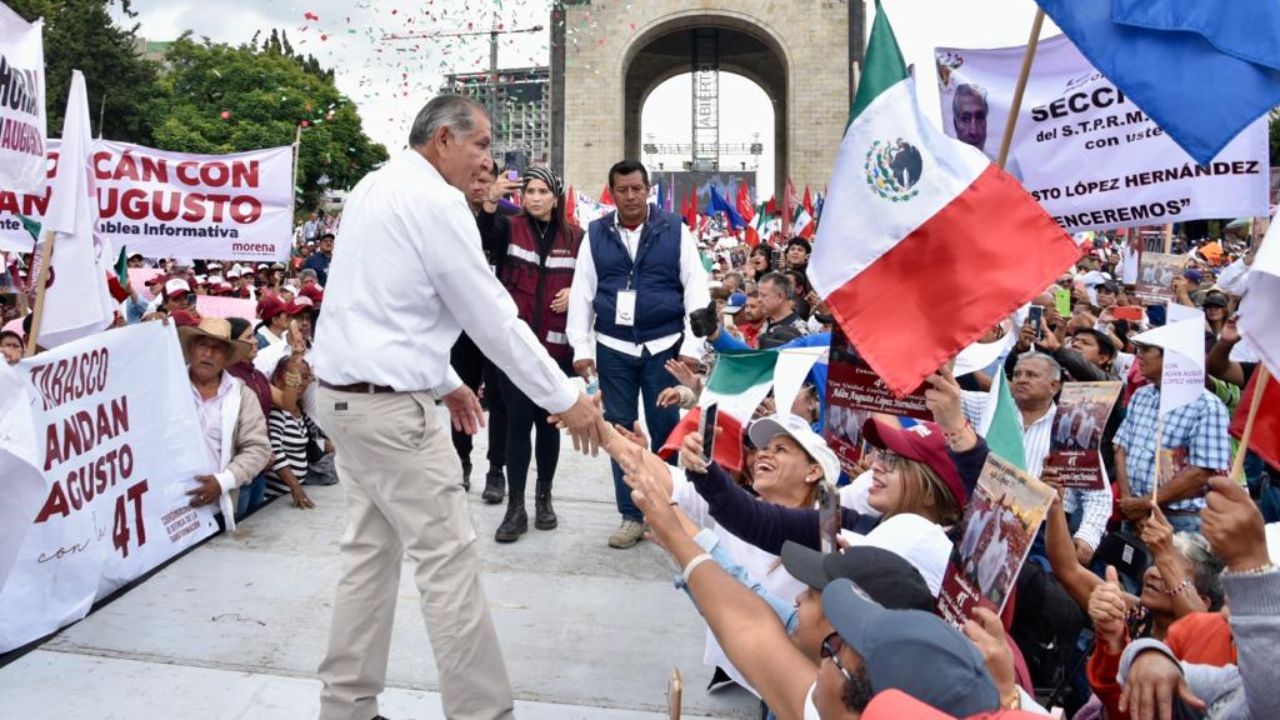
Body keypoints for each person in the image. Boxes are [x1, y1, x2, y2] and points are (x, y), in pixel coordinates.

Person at [308, 94, 604, 720]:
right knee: (449, 567)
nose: (490, 164)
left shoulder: (371, 186)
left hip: (345, 403)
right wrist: (567, 398)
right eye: (482, 147)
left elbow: (381, 307)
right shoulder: (437, 202)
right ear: (443, 139)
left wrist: (444, 378)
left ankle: (346, 708)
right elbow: (493, 317)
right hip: (391, 416)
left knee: (368, 557)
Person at [565, 159, 711, 549]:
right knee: (619, 431)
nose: (630, 196)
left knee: (667, 431)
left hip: (664, 345)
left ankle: (673, 512)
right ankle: (632, 514)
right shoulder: (595, 234)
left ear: (649, 190)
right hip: (613, 347)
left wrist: (693, 348)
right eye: (622, 190)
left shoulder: (675, 230)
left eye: (637, 189)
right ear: (611, 193)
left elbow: (696, 288)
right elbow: (582, 291)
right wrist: (581, 347)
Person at [477, 165, 582, 542]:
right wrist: (491, 200)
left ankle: (544, 499)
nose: (535, 198)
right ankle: (515, 507)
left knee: (548, 426)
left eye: (542, 191)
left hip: (556, 351)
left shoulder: (577, 239)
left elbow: (593, 285)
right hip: (515, 351)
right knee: (517, 426)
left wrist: (576, 293)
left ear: (556, 197)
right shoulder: (509, 227)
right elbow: (483, 238)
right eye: (530, 191)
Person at [1113, 342, 1231, 533]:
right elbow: (1121, 450)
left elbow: (1200, 474)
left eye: (1145, 350)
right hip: (1134, 515)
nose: (1138, 356)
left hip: (1181, 521)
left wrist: (1145, 504)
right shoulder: (1141, 396)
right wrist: (1129, 503)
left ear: (1170, 358)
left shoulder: (1208, 407)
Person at [179, 317, 271, 532]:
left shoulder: (242, 395)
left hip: (216, 510)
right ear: (191, 349)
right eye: (203, 345)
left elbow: (258, 448)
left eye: (217, 349)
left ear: (227, 358)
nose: (208, 354)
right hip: (168, 508)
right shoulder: (169, 386)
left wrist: (223, 482)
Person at [450, 161, 508, 500]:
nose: (477, 186)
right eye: (472, 179)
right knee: (462, 396)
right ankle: (461, 461)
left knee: (500, 400)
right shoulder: (449, 221)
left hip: (495, 326)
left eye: (485, 181)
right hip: (459, 328)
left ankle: (496, 469)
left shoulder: (507, 224)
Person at [263, 354, 319, 510]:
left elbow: (315, 438)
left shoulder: (299, 410)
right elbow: (274, 450)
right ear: (279, 378)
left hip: (290, 497)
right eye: (296, 375)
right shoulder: (277, 411)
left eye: (306, 377)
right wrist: (295, 487)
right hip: (275, 500)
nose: (301, 381)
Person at [758, 272, 810, 337]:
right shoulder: (765, 324)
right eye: (759, 295)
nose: (759, 300)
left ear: (780, 297)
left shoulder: (799, 330)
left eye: (763, 295)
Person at [953, 83, 989, 152]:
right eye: (966, 119)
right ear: (955, 125)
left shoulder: (998, 161)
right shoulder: (939, 162)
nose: (973, 131)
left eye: (979, 118)